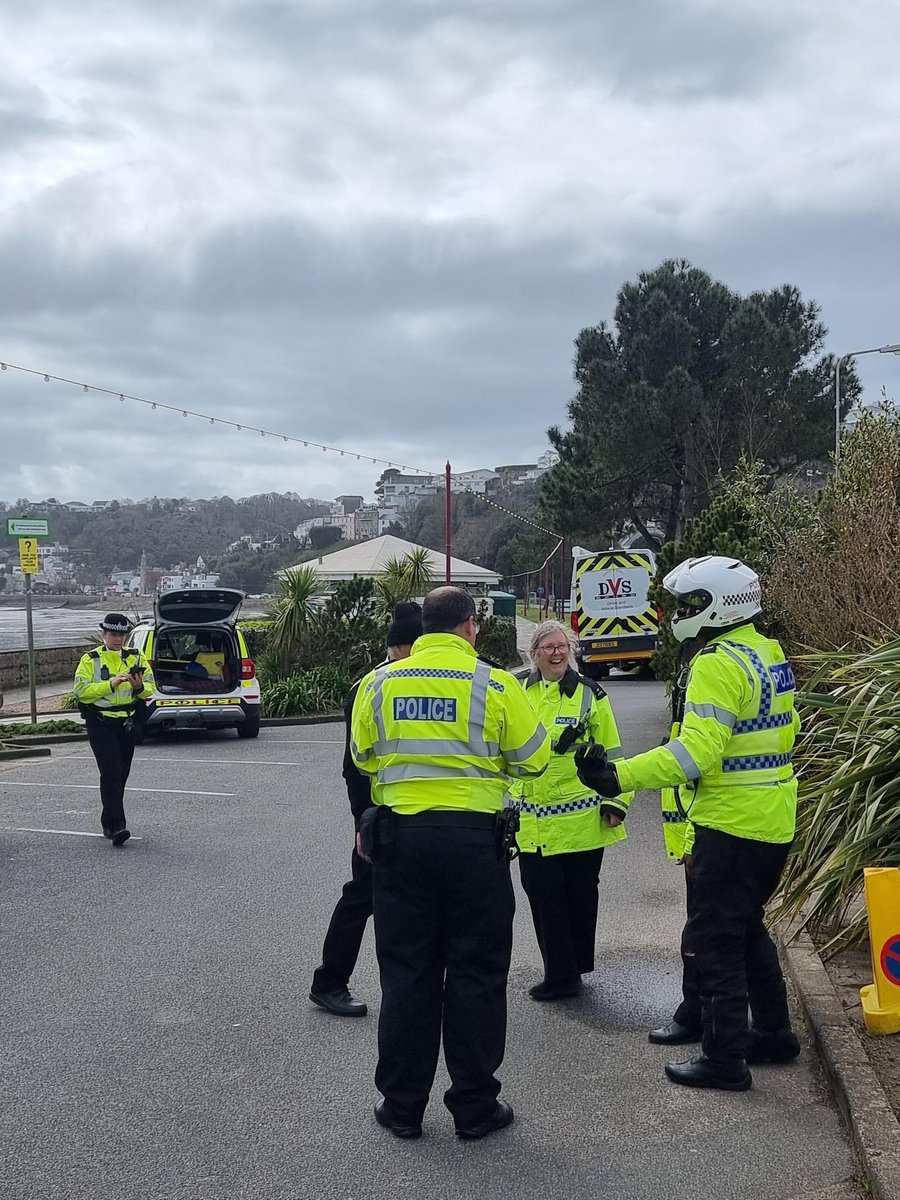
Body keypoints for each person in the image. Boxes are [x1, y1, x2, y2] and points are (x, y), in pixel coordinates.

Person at [575, 556, 802, 1091]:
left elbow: (696, 754)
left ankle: (724, 1060)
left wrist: (619, 776)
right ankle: (772, 1033)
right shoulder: (766, 652)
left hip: (730, 824)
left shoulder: (717, 662)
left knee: (714, 940)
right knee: (746, 928)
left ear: (718, 604)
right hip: (772, 819)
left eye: (688, 604)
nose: (680, 614)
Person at [351, 586, 549, 1140]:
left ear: (421, 630)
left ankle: (402, 1106)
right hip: (473, 848)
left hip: (402, 845)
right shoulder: (495, 683)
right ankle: (474, 1107)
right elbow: (533, 761)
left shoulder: (379, 683)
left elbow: (365, 756)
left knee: (407, 974)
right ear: (469, 626)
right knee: (476, 974)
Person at [309, 601, 424, 1018]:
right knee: (362, 898)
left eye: (417, 645)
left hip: (418, 815)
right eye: (405, 647)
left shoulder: (422, 682)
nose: (410, 654)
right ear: (392, 648)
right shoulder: (368, 687)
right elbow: (353, 768)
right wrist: (364, 823)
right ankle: (329, 982)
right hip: (381, 818)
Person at [514, 620, 633, 1001]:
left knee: (581, 896)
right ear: (534, 653)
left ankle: (571, 970)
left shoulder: (590, 695)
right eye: (548, 647)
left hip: (580, 821)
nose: (556, 653)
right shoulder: (517, 693)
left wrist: (617, 800)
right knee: (543, 896)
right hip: (532, 821)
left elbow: (613, 750)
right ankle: (560, 974)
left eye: (562, 646)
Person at [73, 613, 154, 846]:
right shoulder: (91, 659)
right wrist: (112, 684)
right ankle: (118, 826)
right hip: (101, 723)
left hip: (127, 722)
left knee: (121, 773)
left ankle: (108, 821)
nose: (117, 639)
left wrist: (139, 688)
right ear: (104, 635)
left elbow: (151, 687)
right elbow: (81, 691)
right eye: (113, 635)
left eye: (121, 635)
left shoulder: (136, 656)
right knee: (110, 772)